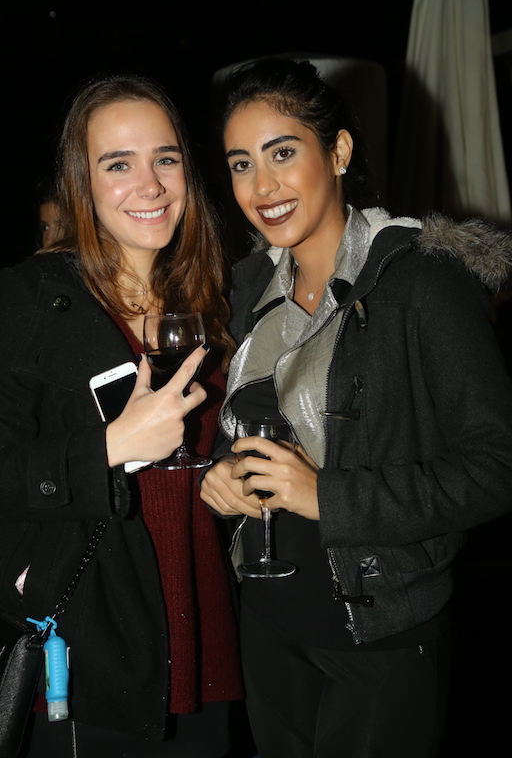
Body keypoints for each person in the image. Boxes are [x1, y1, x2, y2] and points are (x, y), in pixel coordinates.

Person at [200, 58, 512, 758]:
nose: (262, 186)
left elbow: (498, 466)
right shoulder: (248, 290)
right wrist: (220, 474)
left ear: (337, 151)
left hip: (382, 638)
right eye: (242, 164)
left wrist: (329, 497)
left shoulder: (420, 280)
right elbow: (249, 427)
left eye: (283, 153)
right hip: (267, 625)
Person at [0, 75, 243, 757]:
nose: (151, 185)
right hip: (94, 651)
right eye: (118, 164)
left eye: (166, 158)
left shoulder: (212, 297)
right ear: (82, 182)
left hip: (206, 636)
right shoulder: (29, 301)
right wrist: (107, 447)